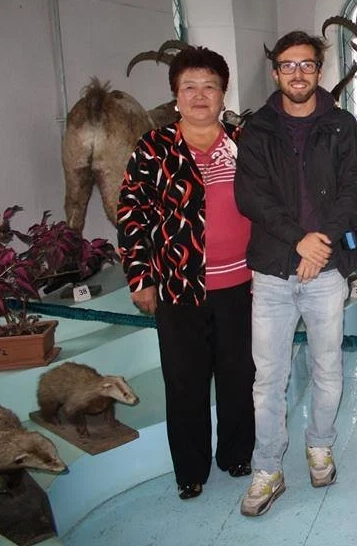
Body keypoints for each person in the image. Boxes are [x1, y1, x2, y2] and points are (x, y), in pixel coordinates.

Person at [234, 31, 357, 517]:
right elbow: (251, 196)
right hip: (272, 272)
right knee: (269, 377)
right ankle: (268, 467)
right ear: (275, 72)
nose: (298, 73)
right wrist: (298, 240)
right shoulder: (257, 129)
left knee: (327, 367)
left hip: (326, 271)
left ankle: (320, 446)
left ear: (319, 70)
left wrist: (321, 243)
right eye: (288, 65)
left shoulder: (341, 125)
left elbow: (355, 190)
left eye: (306, 64)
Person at [117, 46, 255, 501]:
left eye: (209, 87)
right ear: (175, 95)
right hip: (178, 287)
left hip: (241, 285)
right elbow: (132, 215)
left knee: (238, 376)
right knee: (185, 382)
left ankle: (237, 454)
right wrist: (140, 278)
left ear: (222, 93)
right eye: (189, 87)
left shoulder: (243, 142)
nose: (199, 96)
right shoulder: (154, 147)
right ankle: (190, 470)